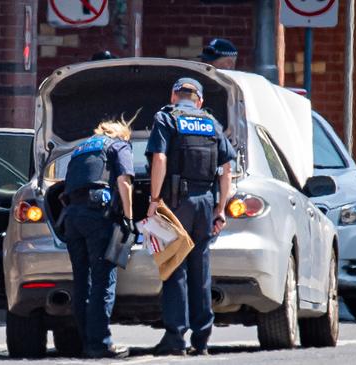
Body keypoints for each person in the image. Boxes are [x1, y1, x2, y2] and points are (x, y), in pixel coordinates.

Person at [145, 78, 236, 356]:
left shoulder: (166, 117)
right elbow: (226, 170)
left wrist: (154, 199)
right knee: (201, 270)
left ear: (174, 95)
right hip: (205, 203)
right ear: (199, 100)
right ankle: (202, 339)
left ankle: (175, 337)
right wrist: (220, 209)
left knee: (175, 267)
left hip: (176, 201)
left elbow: (159, 158)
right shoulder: (211, 122)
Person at [62, 117, 136, 358]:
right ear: (122, 135)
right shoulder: (119, 145)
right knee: (103, 281)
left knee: (82, 282)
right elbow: (124, 182)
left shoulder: (80, 149)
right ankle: (101, 344)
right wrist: (129, 218)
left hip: (72, 216)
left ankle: (88, 342)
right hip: (97, 216)